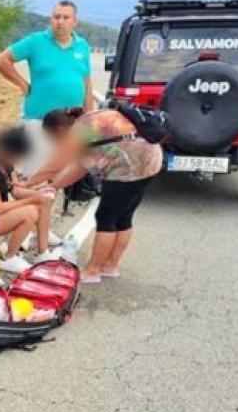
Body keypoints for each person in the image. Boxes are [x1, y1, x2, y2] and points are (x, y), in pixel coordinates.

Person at [26, 107, 164, 283]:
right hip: (151, 160)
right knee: (123, 217)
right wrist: (54, 187)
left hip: (128, 168)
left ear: (59, 130)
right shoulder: (92, 123)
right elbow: (82, 168)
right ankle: (110, 266)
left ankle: (92, 271)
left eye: (54, 139)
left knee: (106, 219)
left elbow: (54, 167)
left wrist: (27, 183)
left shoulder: (79, 131)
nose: (58, 144)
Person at [0, 0, 95, 179]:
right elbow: (1, 61)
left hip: (70, 123)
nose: (60, 21)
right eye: (57, 17)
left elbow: (87, 84)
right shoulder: (36, 41)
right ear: (51, 19)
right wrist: (23, 84)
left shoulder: (82, 46)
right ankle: (29, 204)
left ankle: (45, 206)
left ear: (74, 22)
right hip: (39, 120)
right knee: (37, 173)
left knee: (60, 174)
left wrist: (88, 121)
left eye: (66, 17)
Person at [0, 127, 61, 274]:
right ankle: (9, 258)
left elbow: (15, 191)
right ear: (8, 152)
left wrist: (38, 193)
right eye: (18, 156)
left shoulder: (6, 163)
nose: (18, 161)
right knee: (30, 212)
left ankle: (43, 252)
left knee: (43, 201)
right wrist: (32, 198)